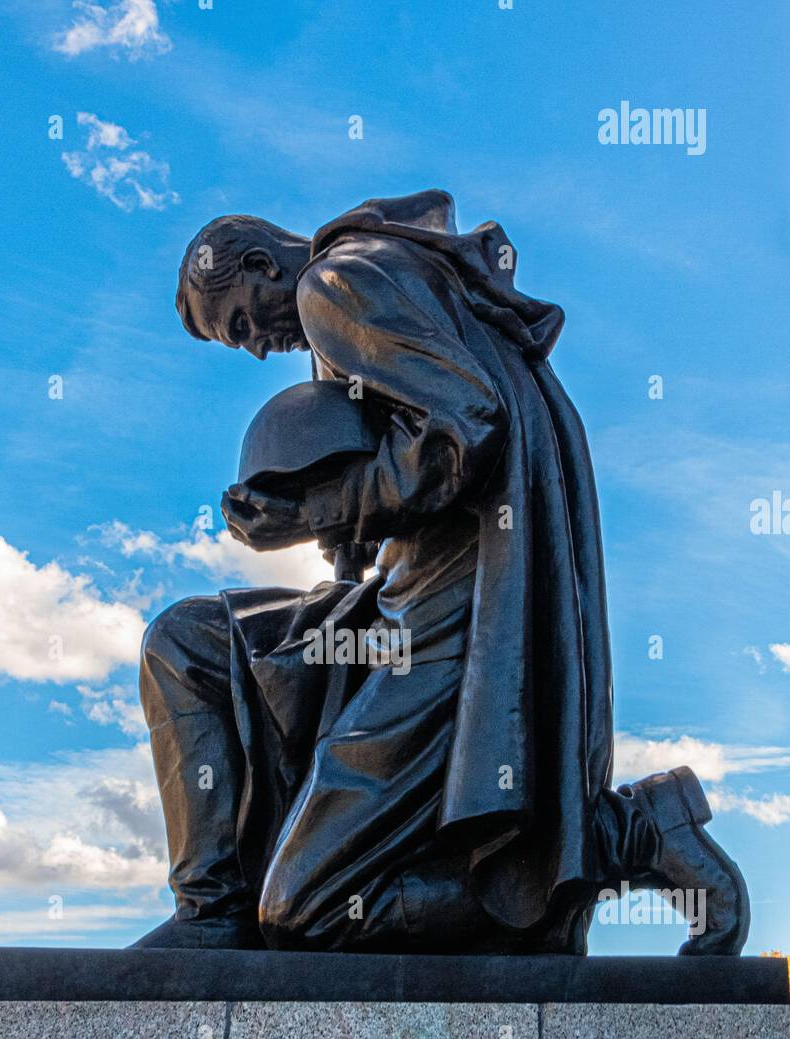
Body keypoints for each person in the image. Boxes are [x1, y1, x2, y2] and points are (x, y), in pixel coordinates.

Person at [131, 190, 748, 955]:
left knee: (306, 910)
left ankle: (613, 841)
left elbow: (465, 426)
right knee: (187, 642)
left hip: (460, 612)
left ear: (263, 264)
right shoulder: (368, 285)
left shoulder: (337, 285)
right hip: (405, 592)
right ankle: (210, 910)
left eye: (245, 323)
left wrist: (318, 510)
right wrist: (327, 529)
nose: (257, 347)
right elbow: (403, 454)